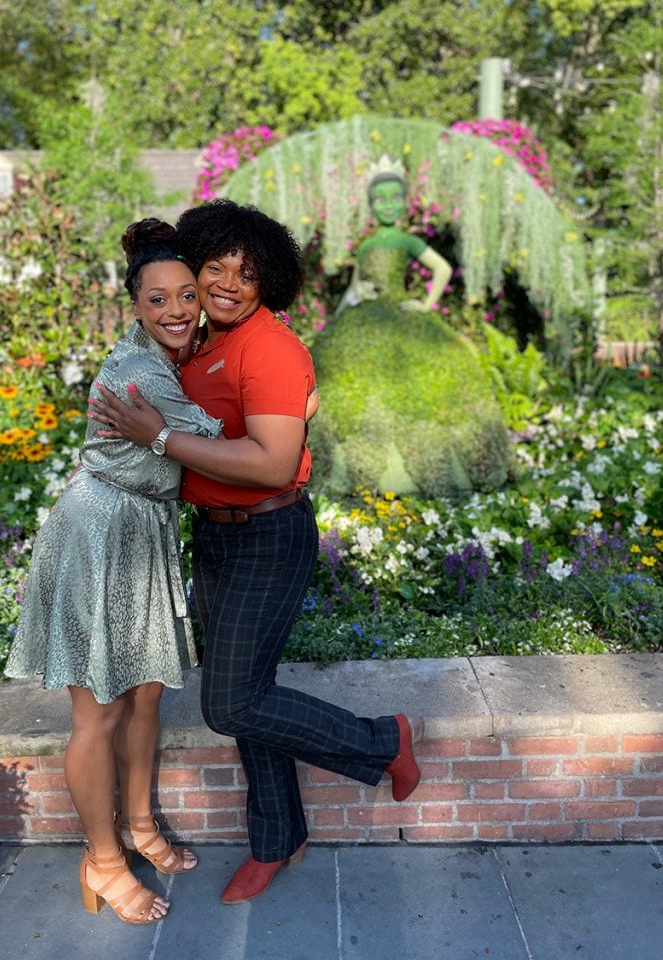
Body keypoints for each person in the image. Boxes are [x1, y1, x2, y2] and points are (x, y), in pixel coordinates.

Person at [87, 199, 424, 906]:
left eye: (248, 271)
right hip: (216, 533)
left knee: (231, 702)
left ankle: (381, 740)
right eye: (216, 267)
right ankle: (277, 840)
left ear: (269, 279)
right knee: (254, 700)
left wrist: (159, 437)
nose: (230, 283)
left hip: (267, 533)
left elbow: (272, 465)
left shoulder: (268, 346)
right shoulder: (205, 342)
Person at [5, 219, 225, 924]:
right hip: (99, 530)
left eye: (187, 295)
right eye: (157, 300)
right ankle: (101, 860)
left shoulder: (163, 354)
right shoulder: (139, 370)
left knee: (146, 692)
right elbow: (213, 436)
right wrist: (297, 405)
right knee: (99, 710)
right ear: (134, 306)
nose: (177, 310)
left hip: (141, 530)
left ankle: (140, 827)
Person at [334, 156, 452, 316]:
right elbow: (354, 286)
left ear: (404, 202)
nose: (389, 205)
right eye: (380, 199)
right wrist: (339, 315)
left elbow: (443, 268)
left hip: (398, 312)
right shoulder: (366, 245)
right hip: (365, 313)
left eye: (396, 198)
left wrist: (426, 306)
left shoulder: (408, 241)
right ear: (371, 205)